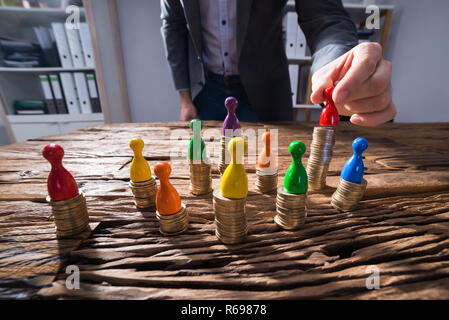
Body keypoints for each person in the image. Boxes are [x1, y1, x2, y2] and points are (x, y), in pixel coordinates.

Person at [160, 0, 396, 127]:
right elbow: (172, 26)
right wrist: (184, 97)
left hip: (265, 91)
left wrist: (338, 68)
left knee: (272, 164)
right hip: (205, 90)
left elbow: (326, 18)